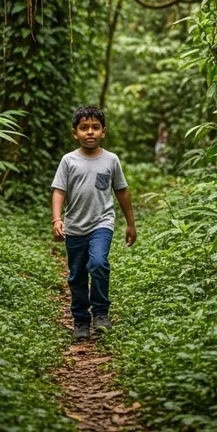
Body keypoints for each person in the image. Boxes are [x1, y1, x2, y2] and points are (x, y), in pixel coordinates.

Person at [51, 105, 136, 341]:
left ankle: (100, 313)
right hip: (75, 226)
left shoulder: (111, 160)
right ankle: (80, 319)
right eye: (84, 128)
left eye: (95, 128)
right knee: (76, 275)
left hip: (102, 222)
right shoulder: (69, 161)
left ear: (104, 132)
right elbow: (59, 191)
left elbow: (122, 191)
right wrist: (57, 219)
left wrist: (131, 223)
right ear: (75, 133)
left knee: (98, 263)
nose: (90, 132)